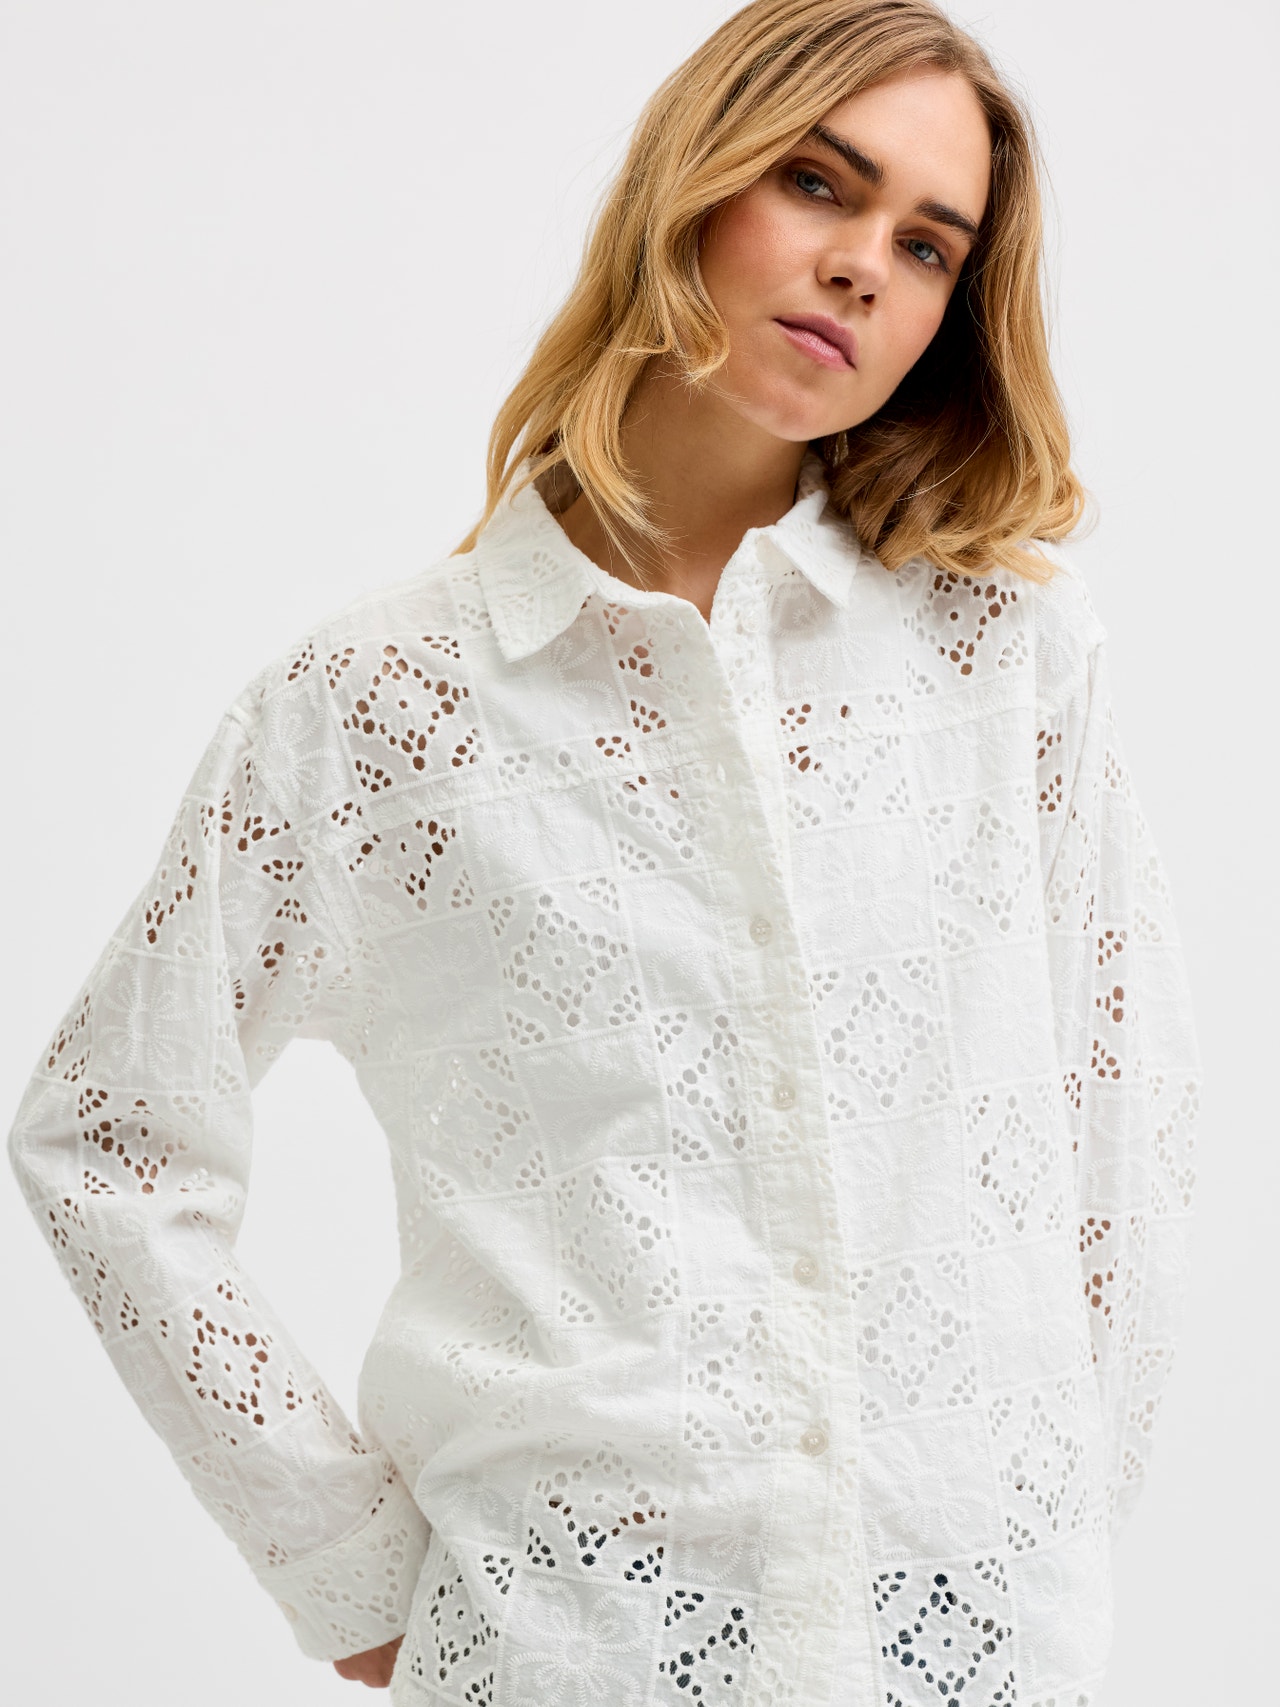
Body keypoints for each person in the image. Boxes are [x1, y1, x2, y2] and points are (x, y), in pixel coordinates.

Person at [7, 1, 1202, 1701]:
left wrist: (1047, 1538)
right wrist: (343, 1567)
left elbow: (1125, 1133)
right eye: (818, 183)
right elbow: (110, 1138)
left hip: (969, 1648)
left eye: (928, 244)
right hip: (573, 1648)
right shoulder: (373, 710)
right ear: (691, 184)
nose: (862, 266)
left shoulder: (1005, 655)